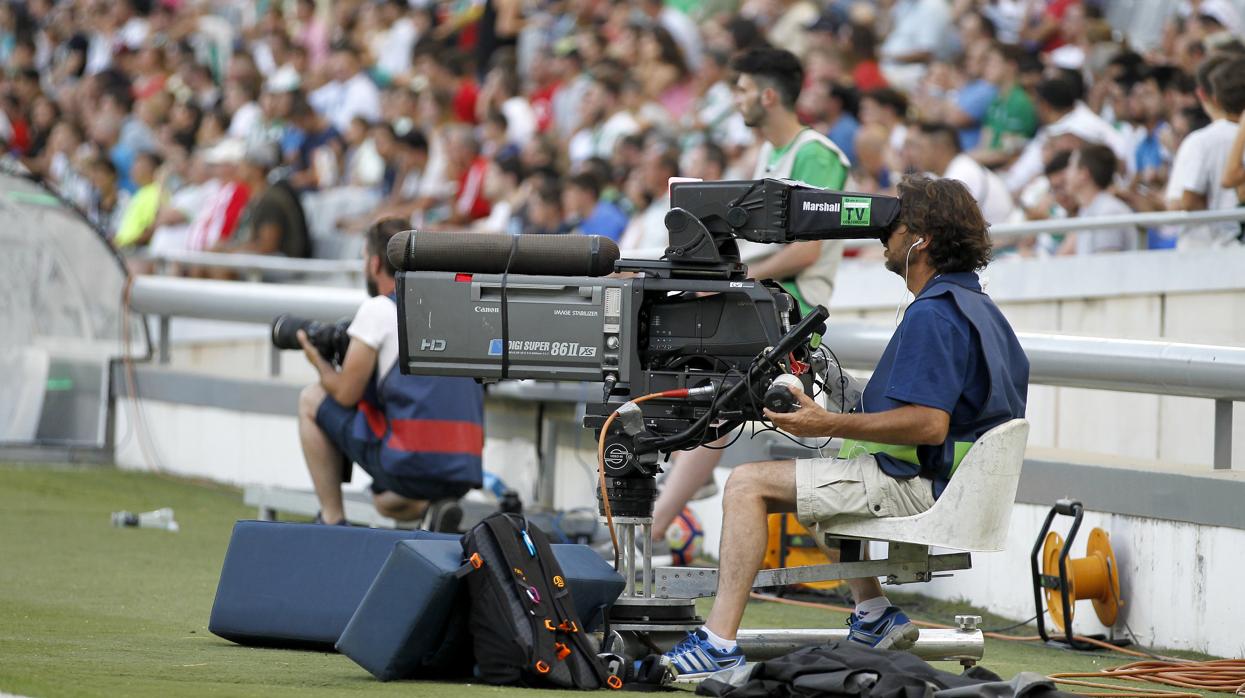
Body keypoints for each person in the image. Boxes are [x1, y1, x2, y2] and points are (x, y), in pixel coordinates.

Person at [656, 175, 1029, 678]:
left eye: (896, 226)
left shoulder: (934, 316)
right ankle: (873, 613)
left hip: (924, 486)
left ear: (922, 240)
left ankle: (718, 643)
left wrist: (822, 420)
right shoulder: (977, 309)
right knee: (825, 470)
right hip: (947, 481)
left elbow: (928, 424)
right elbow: (936, 409)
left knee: (747, 484)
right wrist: (836, 387)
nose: (884, 235)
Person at [649, 47, 854, 545]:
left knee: (712, 405)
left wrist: (736, 275)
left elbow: (808, 252)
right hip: (763, 300)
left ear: (766, 95)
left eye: (740, 89)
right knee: (695, 390)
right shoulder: (772, 155)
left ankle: (652, 527)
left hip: (795, 311)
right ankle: (656, 517)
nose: (734, 99)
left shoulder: (817, 155)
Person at [297, 218, 485, 528]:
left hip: (409, 465)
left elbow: (345, 394)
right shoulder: (456, 308)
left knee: (311, 398)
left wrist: (317, 359)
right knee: (384, 501)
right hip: (464, 470)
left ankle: (331, 519)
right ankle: (432, 512)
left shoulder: (378, 309)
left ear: (373, 264)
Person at [1058, 144, 1139, 255]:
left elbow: (1106, 265)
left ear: (1084, 174)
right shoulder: (1088, 210)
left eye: (1071, 166)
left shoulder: (1109, 213)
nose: (1065, 174)